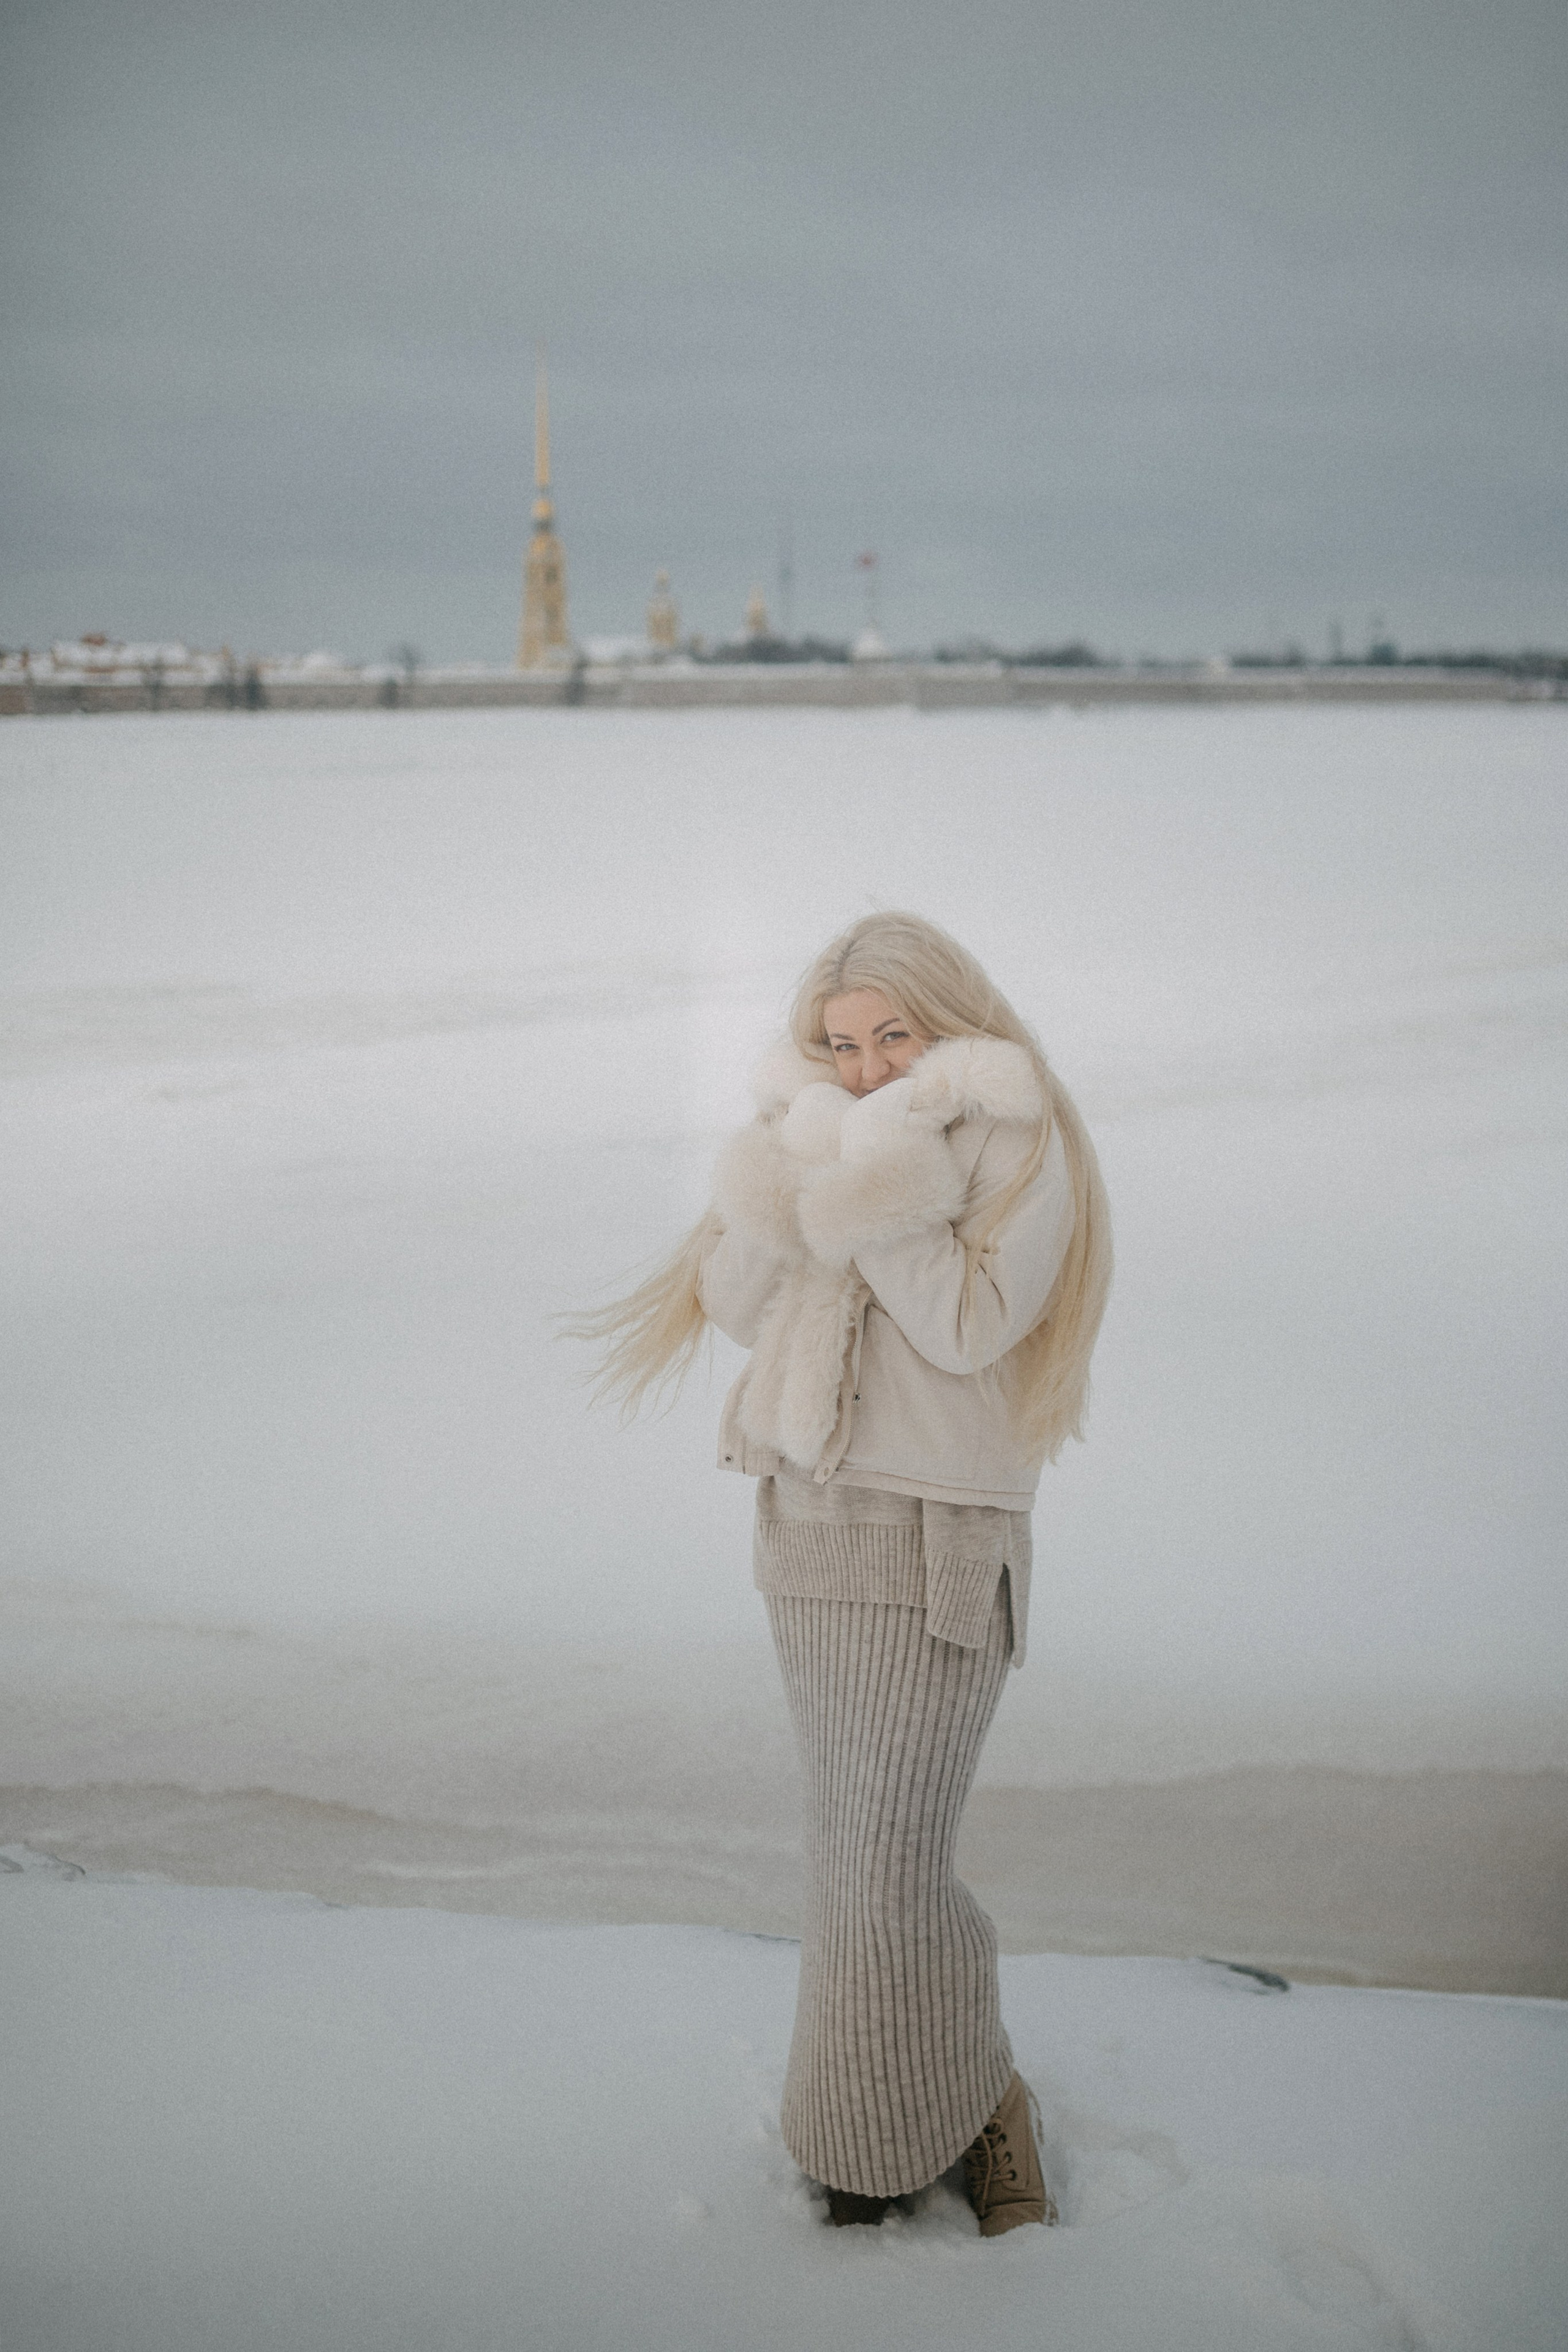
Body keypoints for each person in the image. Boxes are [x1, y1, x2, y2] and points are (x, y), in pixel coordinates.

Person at [577, 911, 1112, 2233]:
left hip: (940, 1534)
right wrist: (788, 1173)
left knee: (893, 1859)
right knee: (845, 1853)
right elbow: (744, 1308)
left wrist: (874, 1177)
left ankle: (977, 2098)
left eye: (893, 1037)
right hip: (810, 1518)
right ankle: (860, 2132)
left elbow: (965, 1322)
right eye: (841, 1045)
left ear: (947, 1019)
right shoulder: (819, 1126)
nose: (867, 1067)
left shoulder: (1015, 1141)